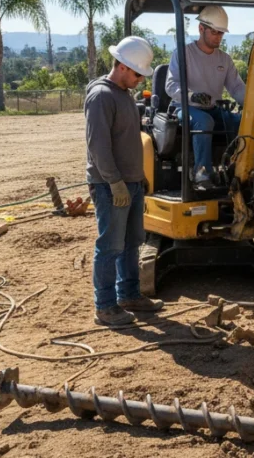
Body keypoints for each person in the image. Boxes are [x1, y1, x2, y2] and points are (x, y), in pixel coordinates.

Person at [85, 36, 164, 326]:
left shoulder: (123, 94)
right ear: (121, 66)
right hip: (110, 186)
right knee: (110, 245)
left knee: (132, 242)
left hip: (129, 182)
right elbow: (98, 146)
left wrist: (138, 176)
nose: (140, 80)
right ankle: (104, 307)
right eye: (137, 74)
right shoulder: (101, 96)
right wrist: (115, 182)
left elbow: (128, 141)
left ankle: (129, 295)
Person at [165, 5, 246, 186]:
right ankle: (201, 173)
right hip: (184, 108)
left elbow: (237, 88)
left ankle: (235, 167)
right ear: (201, 29)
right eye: (215, 32)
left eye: (221, 33)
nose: (218, 37)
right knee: (204, 122)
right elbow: (171, 86)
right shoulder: (183, 54)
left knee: (239, 121)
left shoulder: (224, 59)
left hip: (212, 108)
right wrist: (192, 96)